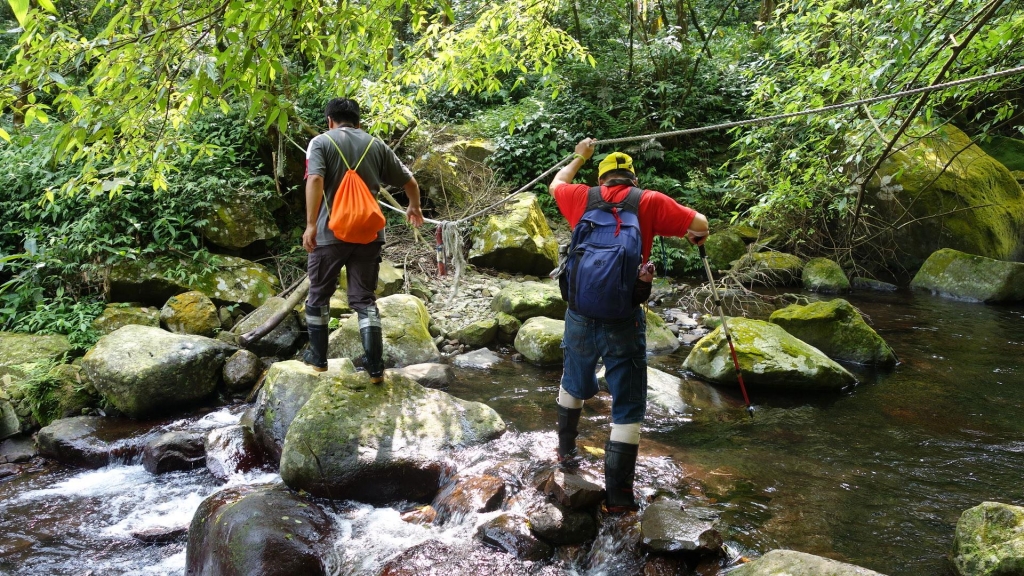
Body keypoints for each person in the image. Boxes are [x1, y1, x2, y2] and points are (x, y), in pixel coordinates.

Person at [548, 137, 708, 512]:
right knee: (628, 401)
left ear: (602, 178)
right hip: (623, 317)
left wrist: (579, 156)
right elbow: (701, 223)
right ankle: (619, 498)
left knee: (573, 377)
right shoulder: (648, 201)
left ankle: (566, 457)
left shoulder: (581, 197)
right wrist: (693, 233)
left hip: (579, 314)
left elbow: (556, 183)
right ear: (632, 178)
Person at [302, 98, 424, 382]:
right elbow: (410, 182)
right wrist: (413, 206)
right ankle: (375, 368)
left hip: (328, 234)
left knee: (319, 294)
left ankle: (318, 360)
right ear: (358, 122)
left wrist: (310, 224)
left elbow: (316, 180)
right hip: (369, 235)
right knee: (364, 300)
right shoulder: (376, 145)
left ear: (330, 120)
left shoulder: (320, 142)